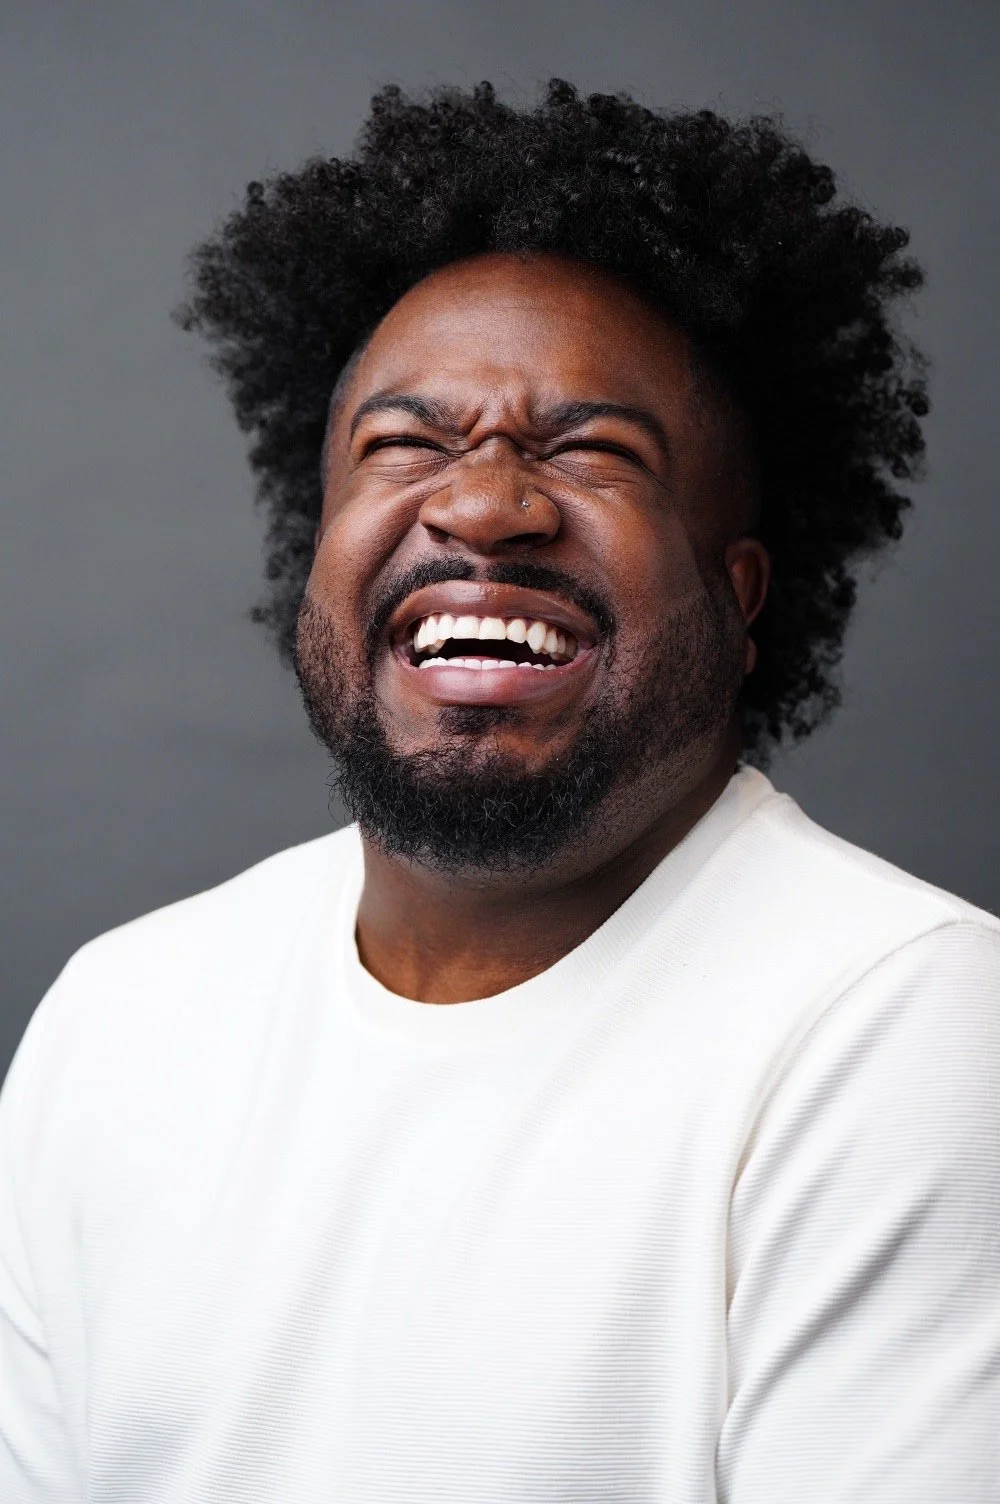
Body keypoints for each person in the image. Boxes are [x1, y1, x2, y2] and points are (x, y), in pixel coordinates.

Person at [1, 80, 997, 1504]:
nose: (482, 504)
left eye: (591, 449)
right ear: (319, 554)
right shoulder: (119, 1016)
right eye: (406, 443)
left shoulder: (901, 1026)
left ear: (740, 594)